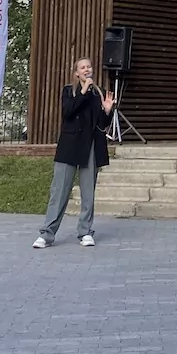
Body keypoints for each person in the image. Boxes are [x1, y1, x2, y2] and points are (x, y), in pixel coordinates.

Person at [33, 58, 114, 249]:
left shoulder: (98, 93)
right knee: (59, 191)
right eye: (82, 67)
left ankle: (85, 232)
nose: (87, 69)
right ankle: (47, 234)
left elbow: (101, 124)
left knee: (88, 192)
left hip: (90, 145)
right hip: (70, 145)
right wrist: (83, 91)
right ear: (77, 73)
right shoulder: (69, 90)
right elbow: (68, 112)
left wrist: (107, 111)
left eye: (89, 66)